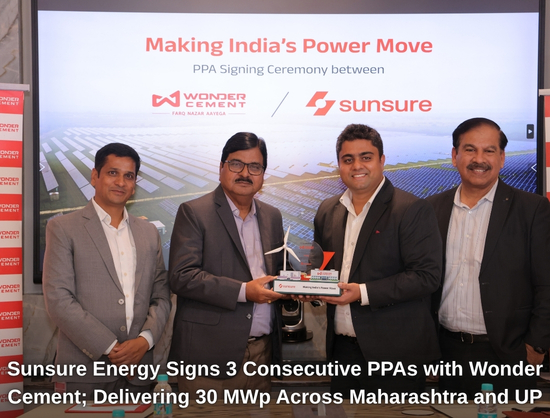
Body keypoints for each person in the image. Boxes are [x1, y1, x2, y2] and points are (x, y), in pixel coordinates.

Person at [312, 123, 442, 397]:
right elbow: (321, 267)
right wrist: (309, 288)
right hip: (343, 353)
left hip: (396, 356)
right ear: (339, 165)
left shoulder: (412, 209)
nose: (357, 166)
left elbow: (426, 277)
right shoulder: (327, 210)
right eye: (348, 159)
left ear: (382, 160)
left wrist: (362, 292)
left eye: (366, 157)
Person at [427, 117, 550, 398]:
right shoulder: (431, 209)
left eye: (489, 151)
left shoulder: (532, 210)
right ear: (455, 156)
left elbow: (547, 283)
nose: (479, 159)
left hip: (509, 355)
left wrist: (536, 347)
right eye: (470, 150)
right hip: (446, 355)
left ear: (502, 158)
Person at [43, 143, 171, 396]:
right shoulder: (63, 228)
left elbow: (161, 296)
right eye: (113, 173)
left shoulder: (148, 233)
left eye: (129, 176)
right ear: (95, 176)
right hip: (84, 372)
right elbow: (58, 299)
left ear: (134, 184)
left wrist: (144, 341)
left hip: (138, 372)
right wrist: (113, 348)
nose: (121, 182)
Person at [169, 132, 285, 395]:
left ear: (263, 174)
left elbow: (277, 274)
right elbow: (181, 276)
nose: (245, 173)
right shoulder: (194, 212)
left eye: (254, 167)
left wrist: (299, 286)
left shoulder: (272, 216)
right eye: (236, 164)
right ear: (221, 167)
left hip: (262, 356)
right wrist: (244, 291)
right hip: (209, 357)